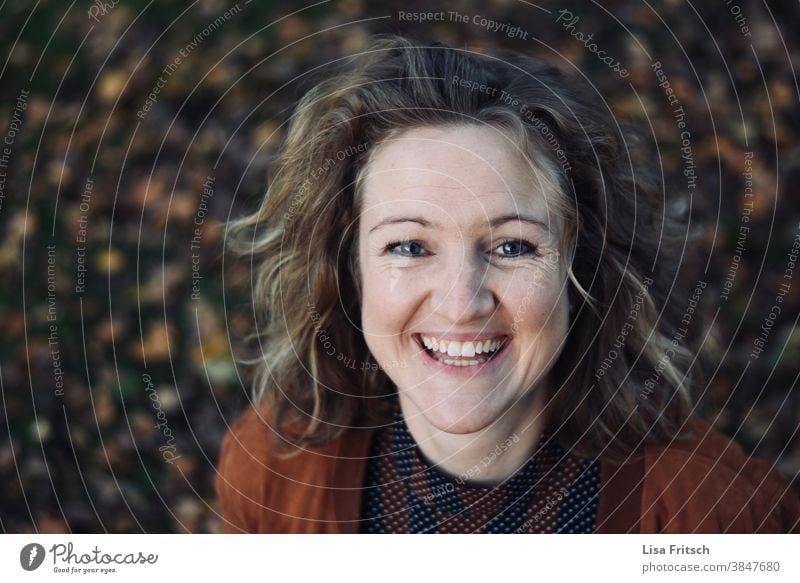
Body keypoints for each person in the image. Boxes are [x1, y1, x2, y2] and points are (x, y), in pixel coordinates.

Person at [216, 35, 800, 533]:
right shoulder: (272, 471)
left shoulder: (718, 514)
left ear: (580, 262)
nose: (462, 304)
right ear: (349, 268)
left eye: (512, 246)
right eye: (410, 246)